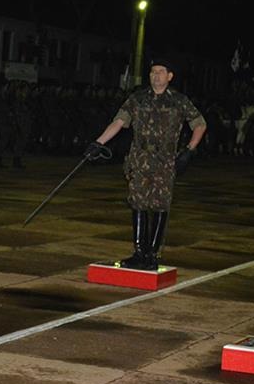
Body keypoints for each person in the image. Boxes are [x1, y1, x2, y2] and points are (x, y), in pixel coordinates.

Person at [88, 60, 206, 270]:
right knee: (138, 202)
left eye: (161, 72)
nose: (156, 76)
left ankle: (152, 253)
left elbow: (199, 124)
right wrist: (99, 142)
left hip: (165, 160)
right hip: (140, 159)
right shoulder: (137, 98)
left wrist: (189, 150)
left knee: (160, 204)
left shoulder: (179, 100)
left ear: (170, 76)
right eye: (153, 72)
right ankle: (139, 252)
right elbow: (119, 122)